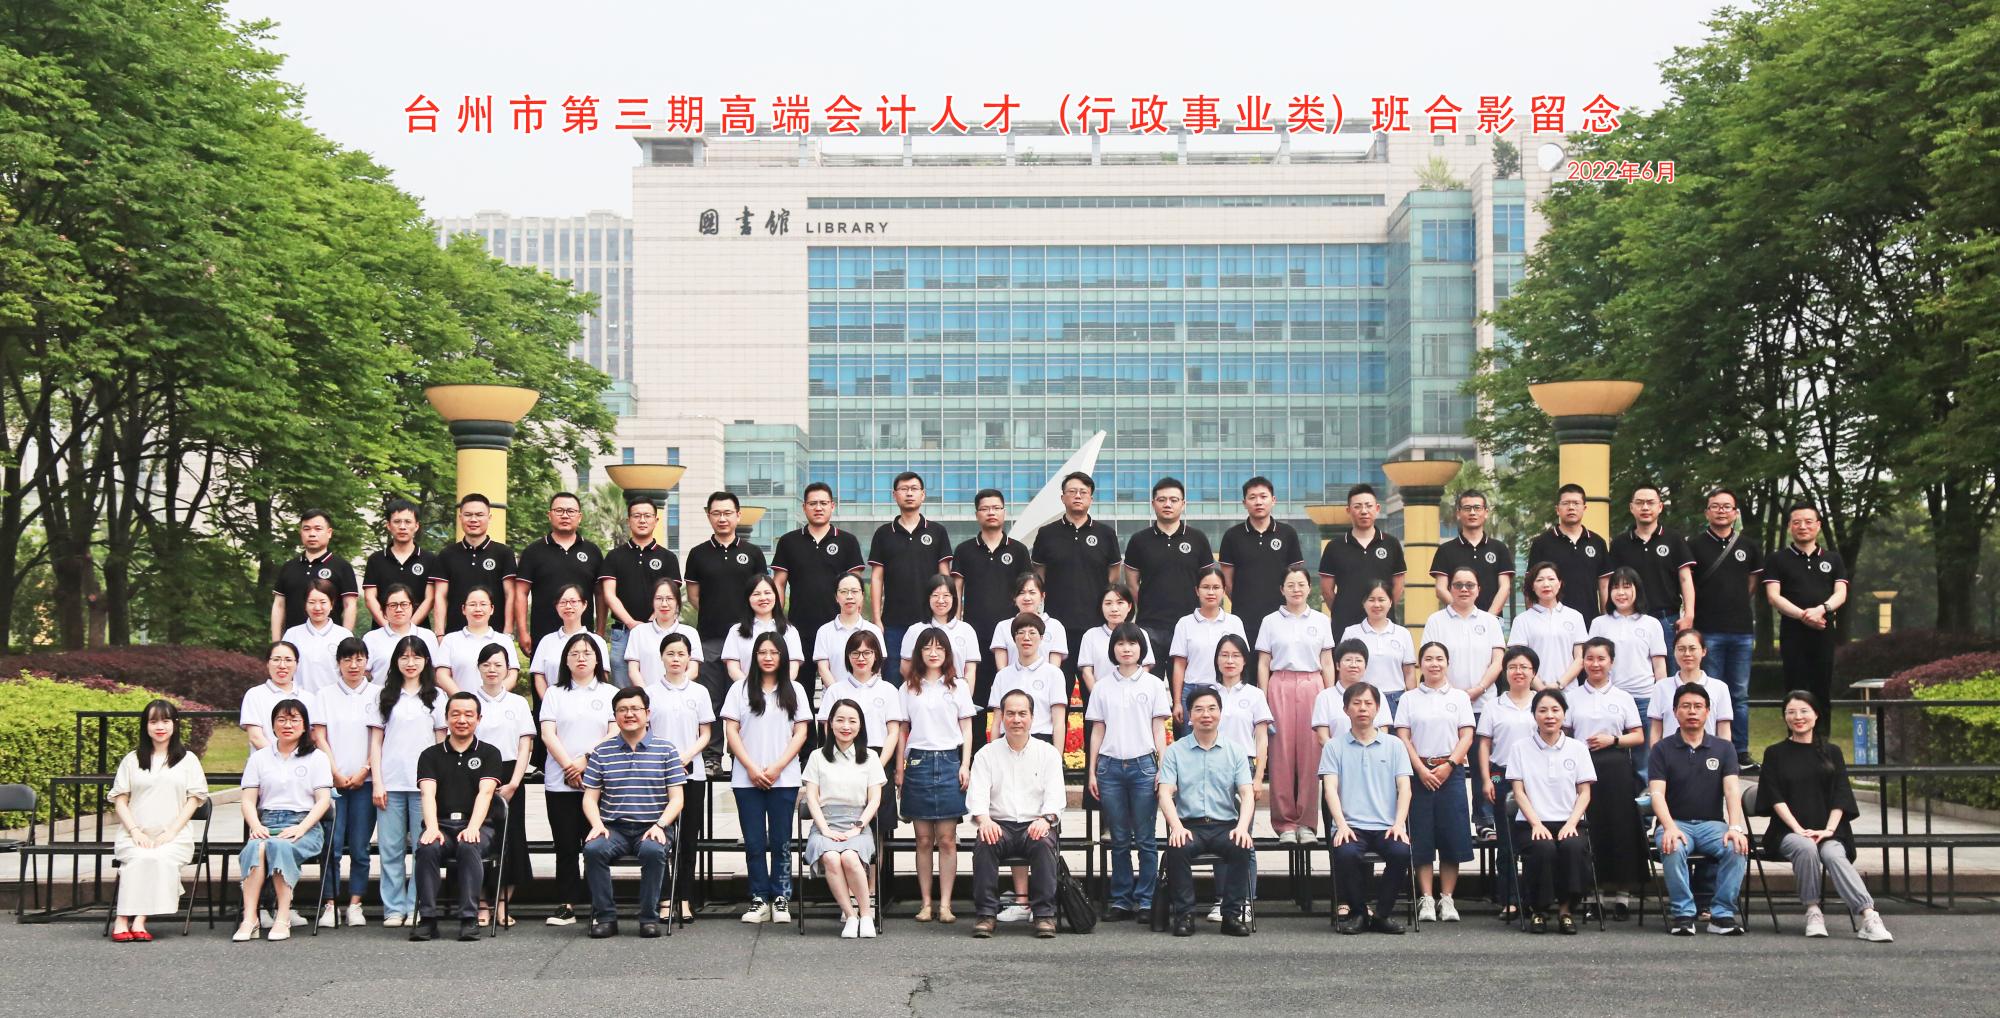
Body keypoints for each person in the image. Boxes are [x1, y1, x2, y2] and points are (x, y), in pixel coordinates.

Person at [1760, 691, 1893, 942]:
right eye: (1791, 712)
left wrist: (1829, 830)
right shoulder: (1774, 753)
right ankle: (1813, 911)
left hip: (1830, 831)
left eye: (1804, 711)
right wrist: (1798, 829)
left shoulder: (1832, 752)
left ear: (1816, 715)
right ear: (1785, 717)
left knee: (1833, 854)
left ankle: (1869, 916)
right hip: (1787, 832)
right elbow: (1774, 797)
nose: (1798, 717)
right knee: (1806, 847)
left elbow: (1841, 795)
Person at [580, 686, 687, 939]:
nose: (629, 714)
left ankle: (649, 918)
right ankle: (606, 917)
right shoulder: (602, 751)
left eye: (635, 709)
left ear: (647, 713)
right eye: (622, 710)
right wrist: (597, 824)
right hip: (613, 828)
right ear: (615, 715)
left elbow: (677, 799)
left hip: (653, 826)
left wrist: (660, 825)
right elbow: (590, 798)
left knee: (652, 851)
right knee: (593, 850)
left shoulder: (666, 750)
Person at [722, 632, 812, 924]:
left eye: (774, 652)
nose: (768, 657)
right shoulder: (739, 689)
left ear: (783, 656)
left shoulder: (795, 689)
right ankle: (759, 897)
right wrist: (751, 767)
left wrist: (777, 767)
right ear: (754, 656)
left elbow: (801, 732)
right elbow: (731, 731)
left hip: (783, 778)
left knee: (781, 841)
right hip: (746, 778)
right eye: (762, 652)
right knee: (754, 841)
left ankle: (781, 897)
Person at [1648, 683, 1751, 935]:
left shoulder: (1724, 748)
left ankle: (1722, 914)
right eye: (1685, 706)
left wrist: (1735, 827)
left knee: (1736, 847)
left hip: (1712, 825)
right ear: (1675, 712)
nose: (1692, 711)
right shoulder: (1661, 749)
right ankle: (1683, 914)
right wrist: (1669, 827)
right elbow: (1656, 793)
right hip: (1675, 823)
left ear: (1707, 711)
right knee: (1672, 846)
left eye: (1698, 706)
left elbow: (1732, 790)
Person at [1086, 622, 1171, 923]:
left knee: (1146, 838)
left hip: (1143, 767)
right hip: (1110, 767)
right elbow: (1097, 730)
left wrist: (1163, 768)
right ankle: (1121, 899)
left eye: (1132, 644)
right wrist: (1092, 771)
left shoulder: (1153, 684)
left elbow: (1159, 729)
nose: (1126, 649)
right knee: (1119, 838)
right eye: (1120, 644)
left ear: (1141, 648)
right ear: (1113, 649)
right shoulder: (1102, 686)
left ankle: (1146, 900)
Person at [967, 690, 1066, 939]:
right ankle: (986, 915)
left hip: (1035, 823)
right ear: (1002, 717)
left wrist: (1046, 820)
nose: (1016, 719)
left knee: (1043, 843)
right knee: (985, 843)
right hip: (999, 824)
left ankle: (1044, 915)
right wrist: (984, 820)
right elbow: (977, 795)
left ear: (1032, 717)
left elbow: (1056, 797)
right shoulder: (986, 754)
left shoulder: (1048, 753)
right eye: (1010, 714)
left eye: (1023, 713)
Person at [1158, 687, 1257, 937]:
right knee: (1177, 848)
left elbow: (1246, 794)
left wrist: (1242, 828)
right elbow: (1165, 793)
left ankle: (1231, 915)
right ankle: (1185, 915)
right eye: (1199, 709)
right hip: (1190, 826)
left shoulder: (1235, 750)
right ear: (1190, 715)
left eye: (1212, 709)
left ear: (1220, 713)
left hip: (1225, 825)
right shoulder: (1176, 751)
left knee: (1241, 846)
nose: (1206, 715)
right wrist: (1176, 827)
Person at [232, 698, 332, 942]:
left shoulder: (317, 758)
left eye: (294, 720)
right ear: (273, 724)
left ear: (305, 725)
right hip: (267, 822)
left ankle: (283, 916)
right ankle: (250, 918)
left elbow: (323, 801)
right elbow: (248, 801)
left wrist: (301, 828)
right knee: (255, 848)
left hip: (304, 824)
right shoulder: (259, 758)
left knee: (279, 846)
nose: (288, 725)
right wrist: (256, 826)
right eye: (282, 720)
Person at [108, 700, 209, 942]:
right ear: (145, 726)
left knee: (157, 858)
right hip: (134, 833)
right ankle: (122, 920)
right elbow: (120, 800)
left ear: (175, 724)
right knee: (139, 857)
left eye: (165, 721)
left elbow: (194, 801)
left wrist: (171, 832)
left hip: (174, 836)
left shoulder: (188, 760)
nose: (160, 727)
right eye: (153, 722)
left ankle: (139, 920)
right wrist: (135, 831)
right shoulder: (132, 759)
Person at [817, 628, 907, 895]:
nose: (861, 658)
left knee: (875, 829)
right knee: (843, 827)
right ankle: (847, 895)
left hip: (878, 760)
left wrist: (879, 766)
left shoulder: (888, 690)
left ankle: (870, 893)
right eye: (855, 653)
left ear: (877, 656)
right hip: (842, 764)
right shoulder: (836, 690)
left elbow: (894, 732)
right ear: (848, 656)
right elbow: (827, 730)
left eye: (867, 652)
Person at [366, 635, 448, 928]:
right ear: (396, 661)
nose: (410, 663)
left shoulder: (437, 697)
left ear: (426, 661)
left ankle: (417, 905)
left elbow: (441, 745)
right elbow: (375, 743)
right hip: (391, 783)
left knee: (423, 849)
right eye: (404, 657)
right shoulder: (384, 696)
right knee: (391, 850)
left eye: (416, 657)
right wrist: (377, 782)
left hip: (424, 787)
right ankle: (394, 908)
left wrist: (438, 785)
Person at [409, 691, 503, 942]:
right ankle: (428, 919)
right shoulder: (430, 755)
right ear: (447, 718)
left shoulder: (489, 753)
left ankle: (469, 918)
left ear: (478, 719)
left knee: (469, 845)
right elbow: (427, 794)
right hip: (440, 824)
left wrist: (473, 827)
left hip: (478, 825)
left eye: (469, 715)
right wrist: (431, 828)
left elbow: (486, 793)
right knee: (427, 848)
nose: (462, 720)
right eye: (456, 714)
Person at [538, 631, 617, 927]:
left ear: (598, 659)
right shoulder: (555, 693)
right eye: (574, 654)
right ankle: (566, 903)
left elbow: (614, 733)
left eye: (587, 653)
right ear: (566, 661)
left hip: (598, 781)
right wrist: (569, 767)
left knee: (596, 845)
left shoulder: (609, 693)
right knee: (565, 846)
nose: (581, 658)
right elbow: (548, 734)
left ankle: (599, 904)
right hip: (560, 781)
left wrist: (585, 761)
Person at [899, 625, 977, 924]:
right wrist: (900, 768)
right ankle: (925, 903)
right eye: (927, 648)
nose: (933, 653)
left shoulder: (957, 686)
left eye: (939, 648)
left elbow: (967, 728)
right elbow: (902, 730)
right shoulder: (908, 688)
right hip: (918, 762)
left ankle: (945, 904)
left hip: (948, 761)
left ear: (947, 653)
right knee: (922, 839)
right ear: (919, 652)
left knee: (946, 839)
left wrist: (965, 764)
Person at [1321, 682, 1412, 935]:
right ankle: (1359, 912)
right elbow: (1330, 789)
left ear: (1378, 708)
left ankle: (1382, 914)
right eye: (1357, 703)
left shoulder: (1394, 745)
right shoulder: (1333, 747)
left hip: (1386, 825)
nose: (1363, 708)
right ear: (1346, 709)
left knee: (1401, 852)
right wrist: (1341, 825)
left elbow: (1405, 788)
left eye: (1368, 703)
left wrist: (1399, 824)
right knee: (1346, 853)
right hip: (1351, 826)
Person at [1566, 636, 1647, 919]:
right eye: (1590, 658)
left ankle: (1623, 895)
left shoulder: (1623, 697)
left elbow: (1638, 736)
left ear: (1611, 662)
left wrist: (1613, 740)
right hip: (1581, 768)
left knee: (1620, 828)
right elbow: (1565, 733)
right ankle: (1593, 894)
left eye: (1601, 658)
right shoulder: (1572, 697)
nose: (1595, 664)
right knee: (1592, 829)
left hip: (1616, 767)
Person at [1393, 641, 1474, 922]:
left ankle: (1447, 898)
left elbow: (1467, 736)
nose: (1434, 664)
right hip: (1419, 774)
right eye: (1428, 658)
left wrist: (1449, 765)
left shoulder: (1460, 698)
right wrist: (1420, 769)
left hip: (1451, 773)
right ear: (1420, 664)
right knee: (1422, 837)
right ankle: (1426, 898)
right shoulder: (1409, 698)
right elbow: (1403, 737)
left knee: (1452, 836)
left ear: (1448, 663)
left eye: (1440, 658)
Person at [636, 631, 714, 923]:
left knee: (688, 840)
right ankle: (664, 898)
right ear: (661, 657)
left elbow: (705, 733)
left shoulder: (699, 692)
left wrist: (685, 756)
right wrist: (666, 760)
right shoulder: (650, 693)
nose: (676, 659)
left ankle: (685, 898)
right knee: (659, 837)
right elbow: (644, 733)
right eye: (670, 653)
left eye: (681, 654)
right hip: (657, 775)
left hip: (691, 773)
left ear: (689, 657)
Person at [1423, 566, 1506, 835]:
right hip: (1446, 705)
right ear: (1450, 589)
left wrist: (1479, 688)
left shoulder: (1490, 621)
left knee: (1486, 767)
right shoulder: (1436, 621)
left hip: (1484, 705)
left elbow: (1498, 661)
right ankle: (1449, 824)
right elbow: (1431, 660)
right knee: (1450, 764)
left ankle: (1486, 819)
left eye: (1470, 585)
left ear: (1479, 589)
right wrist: (1455, 694)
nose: (1463, 590)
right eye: (1458, 585)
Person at [1505, 689, 1596, 934]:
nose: (1549, 715)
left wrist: (1571, 823)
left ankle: (1566, 911)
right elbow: (1518, 792)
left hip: (1569, 821)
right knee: (1542, 849)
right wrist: (1536, 823)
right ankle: (1538, 910)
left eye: (1555, 710)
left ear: (1564, 714)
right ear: (1534, 715)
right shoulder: (1520, 748)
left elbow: (1584, 792)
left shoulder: (1578, 748)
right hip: (1532, 822)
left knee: (1573, 848)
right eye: (1542, 710)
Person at [1257, 565, 1335, 843]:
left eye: (1301, 584)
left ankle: (1306, 824)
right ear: (1282, 589)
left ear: (1309, 588)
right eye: (1290, 585)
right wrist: (1263, 701)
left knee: (1311, 755)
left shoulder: (1321, 620)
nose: (1296, 589)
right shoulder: (1270, 621)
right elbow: (1264, 663)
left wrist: (1330, 698)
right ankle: (1285, 824)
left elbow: (1327, 661)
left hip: (1313, 684)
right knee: (1281, 755)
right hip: (1280, 683)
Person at [952, 488, 1034, 743]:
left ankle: (1010, 752)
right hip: (974, 636)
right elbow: (957, 591)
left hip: (1011, 639)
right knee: (974, 701)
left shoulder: (1018, 550)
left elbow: (1026, 591)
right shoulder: (964, 550)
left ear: (1004, 512)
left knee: (1011, 699)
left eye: (996, 508)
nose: (991, 512)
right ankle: (976, 756)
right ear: (977, 514)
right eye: (985, 508)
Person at [1035, 471, 1122, 704]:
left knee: (1095, 696)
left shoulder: (1105, 534)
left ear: (1091, 498)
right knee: (1057, 695)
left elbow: (1113, 575)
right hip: (1057, 628)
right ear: (1062, 497)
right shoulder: (1046, 534)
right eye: (1072, 491)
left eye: (1083, 492)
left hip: (1095, 627)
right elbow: (1039, 575)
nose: (1077, 496)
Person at [1690, 487, 1762, 767]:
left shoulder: (1749, 546)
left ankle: (1740, 750)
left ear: (1736, 512)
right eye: (1715, 506)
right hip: (1708, 629)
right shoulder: (1694, 545)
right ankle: (1712, 745)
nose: (1721, 511)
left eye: (1727, 506)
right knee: (1710, 691)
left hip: (1741, 629)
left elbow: (1752, 584)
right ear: (1707, 512)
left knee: (1739, 694)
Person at [803, 698, 887, 938]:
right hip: (825, 824)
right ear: (830, 723)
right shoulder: (817, 757)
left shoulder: (870, 757)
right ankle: (850, 915)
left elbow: (875, 800)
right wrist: (825, 830)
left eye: (852, 721)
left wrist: (857, 828)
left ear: (860, 725)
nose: (846, 726)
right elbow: (811, 798)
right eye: (840, 720)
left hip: (857, 824)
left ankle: (866, 914)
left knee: (850, 857)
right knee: (831, 857)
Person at [1763, 502, 1848, 738]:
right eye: (1797, 522)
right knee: (1794, 688)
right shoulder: (1777, 559)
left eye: (1808, 522)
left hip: (1824, 630)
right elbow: (1773, 596)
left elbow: (1841, 593)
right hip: (1792, 632)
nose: (1803, 526)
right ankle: (1795, 741)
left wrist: (1821, 610)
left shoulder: (1833, 559)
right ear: (1790, 527)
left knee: (1822, 688)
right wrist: (1804, 616)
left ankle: (1822, 742)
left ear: (1818, 525)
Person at [308, 638, 377, 928]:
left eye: (359, 659)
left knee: (360, 848)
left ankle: (355, 904)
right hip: (332, 784)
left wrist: (365, 769)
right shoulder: (324, 695)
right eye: (347, 659)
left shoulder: (378, 694)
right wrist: (334, 771)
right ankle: (330, 903)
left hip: (366, 782)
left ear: (367, 662)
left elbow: (380, 739)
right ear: (338, 663)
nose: (353, 665)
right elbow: (319, 736)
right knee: (332, 847)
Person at [466, 642, 534, 928]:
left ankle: (503, 904)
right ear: (479, 668)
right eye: (486, 664)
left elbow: (525, 744)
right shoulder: (469, 701)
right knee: (479, 839)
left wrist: (514, 783)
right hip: (475, 774)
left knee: (511, 840)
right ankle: (482, 903)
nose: (492, 670)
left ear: (508, 669)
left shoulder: (517, 703)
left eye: (498, 664)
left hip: (510, 776)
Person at [684, 490, 769, 715]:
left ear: (738, 515)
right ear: (709, 516)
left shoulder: (753, 553)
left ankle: (738, 740)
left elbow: (763, 592)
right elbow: (693, 596)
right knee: (711, 699)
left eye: (728, 513)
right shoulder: (697, 554)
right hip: (710, 638)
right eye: (716, 513)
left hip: (746, 637)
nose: (722, 518)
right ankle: (712, 740)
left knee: (744, 698)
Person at [773, 482, 867, 676]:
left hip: (838, 627)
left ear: (832, 506)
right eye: (812, 503)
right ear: (804, 507)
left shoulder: (847, 541)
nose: (818, 508)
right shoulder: (788, 541)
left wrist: (856, 619)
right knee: (799, 685)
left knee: (842, 683)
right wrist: (777, 620)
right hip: (799, 627)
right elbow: (779, 584)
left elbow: (856, 586)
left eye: (823, 503)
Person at [869, 471, 953, 681]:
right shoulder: (883, 533)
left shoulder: (937, 531)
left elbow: (945, 576)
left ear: (923, 495)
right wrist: (877, 619)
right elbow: (877, 578)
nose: (909, 493)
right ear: (894, 495)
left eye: (914, 489)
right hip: (893, 622)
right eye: (903, 489)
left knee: (932, 676)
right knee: (893, 676)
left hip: (930, 620)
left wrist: (949, 616)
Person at [1478, 646, 1541, 920]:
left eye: (1524, 667)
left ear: (1534, 672)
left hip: (1537, 780)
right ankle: (1510, 900)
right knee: (1506, 843)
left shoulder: (1543, 702)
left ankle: (1535, 898)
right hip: (1501, 776)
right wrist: (1487, 779)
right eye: (1513, 667)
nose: (1519, 672)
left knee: (1536, 840)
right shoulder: (1493, 706)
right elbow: (1485, 745)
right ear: (1505, 672)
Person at [1124, 477, 1214, 669]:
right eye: (1162, 499)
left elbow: (1207, 582)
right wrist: (1148, 604)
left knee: (1186, 683)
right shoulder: (1139, 540)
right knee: (1149, 682)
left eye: (1174, 500)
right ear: (1153, 503)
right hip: (1150, 625)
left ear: (1183, 504)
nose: (1167, 504)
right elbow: (1132, 583)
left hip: (1190, 624)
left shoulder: (1197, 538)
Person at [1590, 567, 1669, 779]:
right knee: (1612, 755)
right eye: (1615, 587)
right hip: (1609, 697)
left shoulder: (1651, 624)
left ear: (1637, 590)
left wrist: (1660, 698)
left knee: (1646, 759)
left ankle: (1645, 797)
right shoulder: (1599, 623)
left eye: (1626, 586)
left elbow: (1659, 666)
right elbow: (1592, 661)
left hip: (1644, 698)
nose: (1621, 593)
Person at [598, 496, 681, 687]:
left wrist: (651, 622)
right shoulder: (614, 556)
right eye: (636, 516)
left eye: (647, 516)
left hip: (659, 631)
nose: (642, 520)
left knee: (659, 684)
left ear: (656, 520)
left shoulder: (668, 557)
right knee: (623, 689)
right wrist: (631, 623)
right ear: (629, 521)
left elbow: (672, 596)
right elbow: (609, 594)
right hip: (623, 632)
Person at [1218, 476, 1305, 651]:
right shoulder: (1232, 536)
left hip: (1282, 617)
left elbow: (1296, 578)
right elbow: (1227, 583)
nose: (1258, 502)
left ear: (1273, 500)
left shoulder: (1287, 533)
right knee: (1246, 663)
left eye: (1263, 496)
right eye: (1252, 497)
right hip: (1244, 618)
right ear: (1244, 503)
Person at [510, 491, 605, 651]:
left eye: (571, 511)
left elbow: (600, 594)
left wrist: (600, 630)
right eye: (559, 511)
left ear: (579, 517)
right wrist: (523, 632)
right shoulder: (533, 551)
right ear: (549, 515)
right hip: (542, 635)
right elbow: (521, 593)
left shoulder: (592, 551)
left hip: (583, 638)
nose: (565, 515)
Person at [1609, 485, 1696, 645]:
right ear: (1631, 507)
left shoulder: (1674, 539)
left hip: (1667, 619)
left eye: (1650, 502)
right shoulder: (1619, 543)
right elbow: (1610, 583)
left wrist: (1689, 615)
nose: (1645, 507)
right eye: (1639, 503)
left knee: (1669, 661)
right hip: (1630, 617)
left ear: (1660, 507)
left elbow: (1685, 579)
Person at [1170, 565, 1248, 734]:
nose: (1211, 592)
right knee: (1193, 744)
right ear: (1197, 591)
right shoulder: (1185, 623)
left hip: (1226, 691)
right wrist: (1177, 702)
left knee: (1225, 742)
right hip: (1193, 691)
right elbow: (1179, 665)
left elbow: (1241, 660)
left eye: (1216, 587)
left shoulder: (1234, 622)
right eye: (1205, 587)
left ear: (1224, 590)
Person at [1319, 484, 1407, 632]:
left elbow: (1398, 585)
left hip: (1382, 626)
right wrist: (1342, 611)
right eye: (1357, 506)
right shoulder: (1334, 547)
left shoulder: (1391, 543)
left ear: (1377, 509)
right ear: (1348, 510)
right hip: (1345, 626)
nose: (1364, 511)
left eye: (1368, 506)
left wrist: (1382, 609)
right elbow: (1327, 590)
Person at [1526, 484, 1611, 621]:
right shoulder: (1542, 543)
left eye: (1576, 503)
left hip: (1589, 619)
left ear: (1584, 508)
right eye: (1566, 503)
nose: (1571, 507)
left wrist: (1606, 620)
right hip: (1551, 621)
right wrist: (1533, 620)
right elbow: (1530, 584)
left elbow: (1604, 586)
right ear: (1557, 509)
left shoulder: (1598, 542)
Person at [437, 493, 516, 638]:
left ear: (489, 517)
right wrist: (440, 634)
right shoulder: (447, 554)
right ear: (460, 517)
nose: (473, 519)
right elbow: (440, 596)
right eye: (468, 515)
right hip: (455, 635)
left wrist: (508, 631)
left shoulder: (504, 553)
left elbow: (510, 594)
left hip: (495, 635)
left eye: (479, 515)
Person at [271, 508, 358, 640]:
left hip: (330, 642)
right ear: (301, 532)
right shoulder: (289, 567)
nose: (312, 534)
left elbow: (349, 605)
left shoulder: (342, 566)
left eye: (318, 529)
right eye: (306, 529)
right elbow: (279, 606)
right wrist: (277, 643)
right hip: (293, 641)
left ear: (329, 533)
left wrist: (345, 642)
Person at [1429, 489, 1513, 616]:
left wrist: (1488, 618)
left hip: (1492, 620)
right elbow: (1441, 589)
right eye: (1467, 508)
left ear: (1486, 512)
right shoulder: (1445, 550)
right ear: (1458, 513)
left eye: (1477, 508)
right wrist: (1464, 613)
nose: (1472, 512)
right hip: (1456, 620)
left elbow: (1505, 587)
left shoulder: (1499, 548)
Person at [987, 613, 1068, 743]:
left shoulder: (1053, 674)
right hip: (1007, 741)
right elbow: (996, 722)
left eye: (1032, 633)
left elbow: (1058, 723)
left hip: (1041, 741)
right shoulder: (1002, 675)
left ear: (1041, 638)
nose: (1026, 638)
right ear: (1014, 638)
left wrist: (1056, 755)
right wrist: (993, 750)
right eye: (1021, 633)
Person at [363, 499, 443, 630]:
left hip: (418, 631)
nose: (402, 527)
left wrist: (408, 628)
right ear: (388, 525)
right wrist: (388, 628)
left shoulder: (429, 559)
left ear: (416, 526)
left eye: (407, 522)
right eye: (397, 521)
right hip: (382, 631)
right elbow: (370, 597)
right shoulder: (376, 560)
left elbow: (430, 599)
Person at [1341, 579, 1416, 714]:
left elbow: (1409, 672)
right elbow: (1343, 671)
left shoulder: (1402, 633)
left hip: (1396, 701)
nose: (1376, 604)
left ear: (1390, 602)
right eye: (1371, 600)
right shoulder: (1351, 632)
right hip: (1361, 700)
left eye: (1381, 600)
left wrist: (1413, 705)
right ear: (1363, 603)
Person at [1507, 562, 1587, 689]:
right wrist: (1541, 689)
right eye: (1539, 580)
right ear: (1532, 586)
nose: (1546, 584)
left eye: (1551, 579)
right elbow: (1519, 661)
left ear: (1559, 583)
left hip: (1569, 691)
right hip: (1534, 692)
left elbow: (1580, 658)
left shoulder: (1575, 616)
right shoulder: (1522, 620)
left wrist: (1559, 684)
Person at [528, 583, 608, 706]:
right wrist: (550, 704)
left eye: (573, 601)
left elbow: (603, 676)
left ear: (584, 605)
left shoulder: (597, 641)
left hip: (589, 705)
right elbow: (539, 676)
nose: (568, 606)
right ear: (556, 607)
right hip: (555, 706)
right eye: (563, 602)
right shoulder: (547, 641)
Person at [1650, 629, 1734, 745]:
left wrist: (1724, 754)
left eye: (1692, 648)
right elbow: (1655, 731)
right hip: (1669, 754)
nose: (1687, 654)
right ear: (1674, 652)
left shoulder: (1720, 688)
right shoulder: (1660, 687)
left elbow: (1724, 732)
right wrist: (1656, 755)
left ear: (1704, 651)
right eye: (1681, 649)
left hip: (1708, 754)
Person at [898, 573, 981, 688]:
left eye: (946, 595)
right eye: (935, 595)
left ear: (954, 598)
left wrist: (965, 695)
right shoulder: (915, 630)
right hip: (923, 693)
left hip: (955, 693)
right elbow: (905, 667)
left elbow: (970, 671)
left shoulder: (966, 630)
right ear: (928, 598)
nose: (941, 600)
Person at [1074, 583, 1158, 695]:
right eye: (1108, 603)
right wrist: (1098, 697)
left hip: (1133, 696)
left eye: (1120, 603)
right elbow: (1087, 672)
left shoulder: (1141, 633)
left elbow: (1145, 667)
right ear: (1101, 607)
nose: (1114, 609)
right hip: (1102, 696)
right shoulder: (1091, 635)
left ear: (1129, 606)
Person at [722, 574, 807, 683]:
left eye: (767, 593)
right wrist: (751, 688)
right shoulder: (736, 631)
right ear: (748, 598)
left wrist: (776, 689)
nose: (763, 598)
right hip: (746, 690)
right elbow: (733, 669)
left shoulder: (790, 631)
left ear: (775, 596)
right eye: (756, 594)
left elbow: (793, 668)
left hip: (782, 691)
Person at [623, 578, 703, 693]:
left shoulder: (691, 633)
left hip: (680, 695)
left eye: (669, 598)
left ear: (677, 602)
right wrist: (648, 694)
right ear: (652, 602)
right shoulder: (638, 632)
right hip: (647, 696)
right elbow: (633, 671)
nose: (664, 604)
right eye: (659, 599)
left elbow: (693, 671)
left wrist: (672, 689)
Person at [436, 586, 520, 693]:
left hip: (495, 701)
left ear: (492, 609)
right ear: (463, 609)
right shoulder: (450, 640)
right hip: (460, 702)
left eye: (483, 604)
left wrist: (491, 697)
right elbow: (442, 675)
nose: (478, 609)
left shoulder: (504, 641)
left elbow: (512, 676)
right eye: (472, 604)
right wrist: (462, 699)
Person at [814, 573, 884, 698]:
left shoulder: (874, 630)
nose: (849, 596)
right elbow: (823, 669)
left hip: (867, 697)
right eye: (844, 592)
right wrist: (840, 695)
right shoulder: (824, 631)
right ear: (836, 597)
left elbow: (876, 668)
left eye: (854, 591)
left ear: (862, 595)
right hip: (835, 698)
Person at [360, 583, 441, 688]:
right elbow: (364, 673)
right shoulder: (371, 638)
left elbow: (435, 671)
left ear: (412, 607)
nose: (399, 609)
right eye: (393, 605)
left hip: (421, 696)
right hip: (382, 696)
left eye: (404, 604)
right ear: (384, 610)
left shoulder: (428, 636)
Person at [282, 580, 354, 696]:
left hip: (334, 700)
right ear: (305, 605)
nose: (317, 607)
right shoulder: (292, 634)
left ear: (331, 604)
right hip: (299, 701)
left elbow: (350, 672)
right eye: (311, 602)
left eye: (323, 602)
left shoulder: (344, 635)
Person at [988, 573, 1069, 672]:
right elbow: (1001, 669)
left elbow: (1054, 670)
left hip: (1043, 681)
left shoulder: (1055, 626)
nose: (1027, 598)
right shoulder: (1003, 627)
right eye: (1021, 593)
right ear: (1014, 597)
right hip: (1012, 681)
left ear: (1042, 596)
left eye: (1032, 592)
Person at [241, 641, 304, 751]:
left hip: (301, 760)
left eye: (288, 660)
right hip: (265, 760)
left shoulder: (309, 698)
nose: (282, 665)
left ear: (296, 664)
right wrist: (280, 757)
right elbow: (256, 737)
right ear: (267, 663)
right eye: (276, 659)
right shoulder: (254, 695)